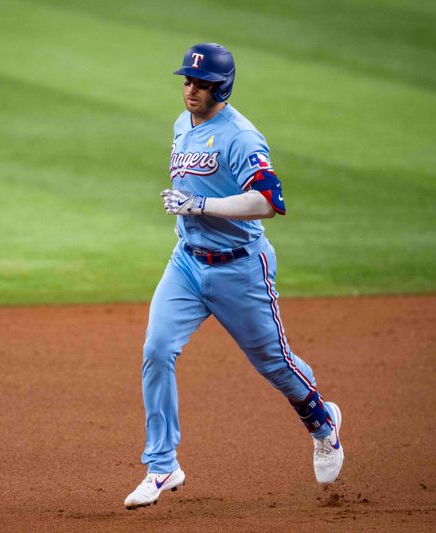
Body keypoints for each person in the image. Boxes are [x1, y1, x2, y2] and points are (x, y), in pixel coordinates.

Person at [124, 43, 344, 510]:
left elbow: (269, 202)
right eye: (187, 80)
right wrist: (193, 211)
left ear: (221, 87)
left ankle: (323, 425)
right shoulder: (182, 124)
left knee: (275, 364)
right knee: (156, 349)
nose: (190, 89)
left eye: (200, 83)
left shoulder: (242, 136)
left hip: (240, 268)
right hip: (186, 263)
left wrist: (203, 205)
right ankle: (162, 465)